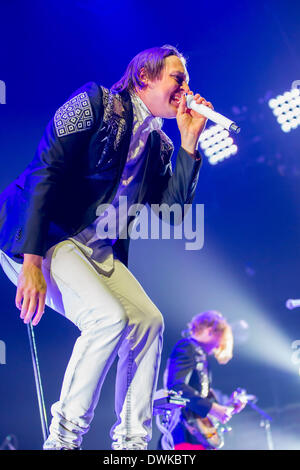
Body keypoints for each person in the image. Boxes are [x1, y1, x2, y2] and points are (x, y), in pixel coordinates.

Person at [0, 45, 213, 450]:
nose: (186, 89)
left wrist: (189, 142)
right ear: (144, 77)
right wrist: (30, 260)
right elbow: (44, 170)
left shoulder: (159, 146)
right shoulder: (95, 103)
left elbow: (171, 215)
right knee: (109, 319)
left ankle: (132, 443)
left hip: (97, 249)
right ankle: (63, 439)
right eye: (178, 78)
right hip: (47, 235)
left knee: (149, 321)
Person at [158, 310, 246, 450]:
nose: (219, 345)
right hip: (184, 434)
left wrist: (228, 407)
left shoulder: (201, 356)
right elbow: (176, 387)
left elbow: (202, 399)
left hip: (198, 436)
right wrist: (213, 408)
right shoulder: (187, 347)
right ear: (211, 331)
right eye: (221, 338)